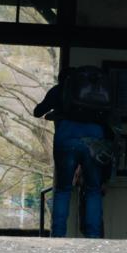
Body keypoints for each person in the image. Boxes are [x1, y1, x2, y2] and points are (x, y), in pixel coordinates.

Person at [32, 64, 116, 239]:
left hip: (66, 140)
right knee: (93, 189)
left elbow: (38, 112)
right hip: (95, 142)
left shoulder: (59, 89)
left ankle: (58, 234)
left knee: (63, 189)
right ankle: (93, 237)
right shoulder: (97, 93)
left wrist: (56, 109)